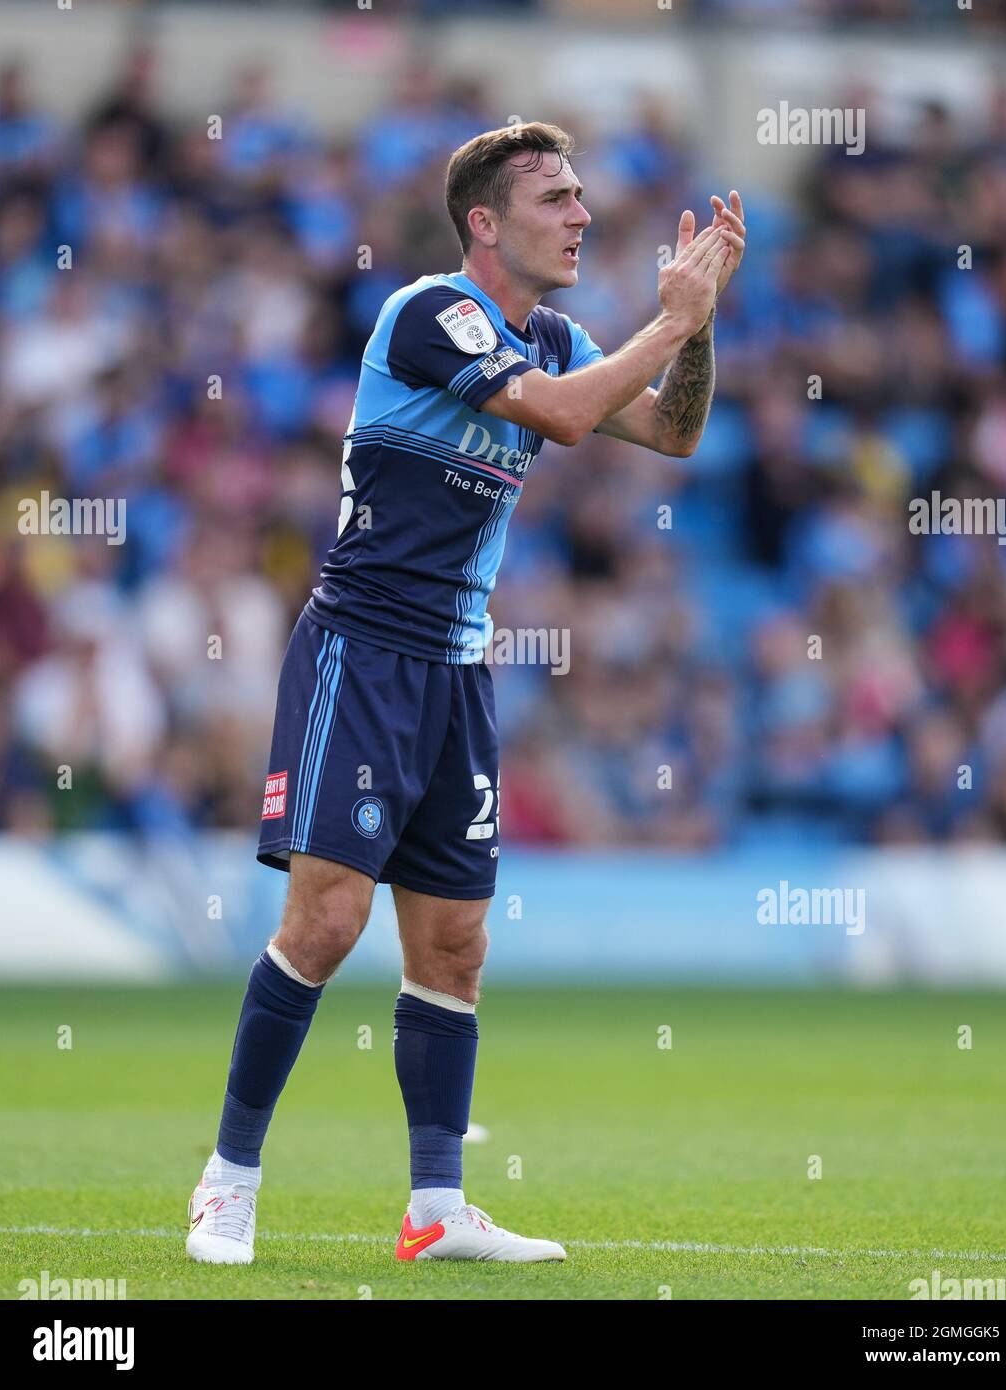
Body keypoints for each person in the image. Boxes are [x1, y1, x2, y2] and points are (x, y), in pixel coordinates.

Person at [186, 121, 744, 1265]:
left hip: (456, 665)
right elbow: (567, 415)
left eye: (584, 194)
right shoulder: (431, 311)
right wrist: (669, 319)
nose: (582, 214)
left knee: (452, 949)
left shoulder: (548, 331)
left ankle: (435, 1208)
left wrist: (700, 327)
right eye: (556, 197)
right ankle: (227, 1180)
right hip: (361, 646)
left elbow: (672, 434)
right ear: (486, 221)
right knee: (328, 922)